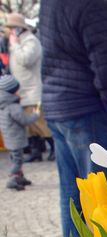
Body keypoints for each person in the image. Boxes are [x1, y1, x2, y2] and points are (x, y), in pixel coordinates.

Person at [40, 0, 107, 237]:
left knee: (72, 198)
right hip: (88, 109)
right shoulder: (91, 4)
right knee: (101, 202)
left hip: (60, 106)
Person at [5, 13, 53, 162]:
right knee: (30, 126)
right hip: (22, 90)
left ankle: (54, 149)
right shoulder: (20, 41)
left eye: (12, 28)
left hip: (32, 90)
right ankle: (36, 151)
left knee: (40, 123)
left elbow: (26, 60)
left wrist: (15, 45)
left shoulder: (31, 41)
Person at [0, 75, 38, 190]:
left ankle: (20, 177)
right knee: (18, 160)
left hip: (9, 138)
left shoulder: (3, 105)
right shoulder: (13, 106)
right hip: (16, 139)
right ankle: (12, 179)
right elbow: (24, 120)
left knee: (15, 158)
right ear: (13, 91)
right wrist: (35, 114)